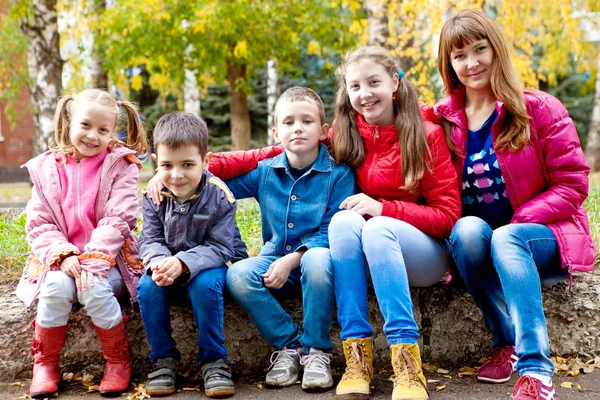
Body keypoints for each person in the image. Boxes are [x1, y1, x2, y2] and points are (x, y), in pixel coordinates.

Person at [174, 48, 461, 400]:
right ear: (347, 92)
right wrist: (188, 168)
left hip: (419, 250)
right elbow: (272, 154)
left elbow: (446, 216)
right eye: (355, 85)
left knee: (368, 227)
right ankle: (355, 357)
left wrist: (382, 208)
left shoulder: (424, 134)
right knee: (345, 221)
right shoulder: (348, 131)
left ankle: (405, 362)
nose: (365, 93)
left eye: (374, 82)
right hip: (365, 250)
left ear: (395, 84)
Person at [436, 9, 595, 400]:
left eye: (480, 49)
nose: (472, 63)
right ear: (449, 63)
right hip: (482, 241)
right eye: (460, 56)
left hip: (542, 236)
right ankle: (505, 341)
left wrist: (521, 219)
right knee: (466, 230)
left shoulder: (538, 108)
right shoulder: (442, 120)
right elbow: (380, 128)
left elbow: (573, 184)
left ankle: (536, 372)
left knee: (507, 238)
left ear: (497, 50)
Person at [16, 88, 149, 398]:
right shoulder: (49, 167)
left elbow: (119, 218)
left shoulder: (122, 165)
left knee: (92, 287)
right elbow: (39, 222)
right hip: (61, 261)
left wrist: (92, 259)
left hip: (109, 261)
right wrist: (62, 256)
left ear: (112, 132)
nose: (93, 135)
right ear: (69, 121)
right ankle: (45, 363)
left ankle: (117, 360)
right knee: (55, 288)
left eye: (103, 130)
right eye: (85, 125)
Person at [223, 86, 356, 392]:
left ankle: (316, 351)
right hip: (272, 261)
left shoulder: (339, 174)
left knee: (317, 257)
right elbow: (218, 181)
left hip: (318, 264)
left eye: (307, 121)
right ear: (276, 132)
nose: (297, 128)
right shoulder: (265, 172)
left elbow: (331, 229)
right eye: (288, 122)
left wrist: (293, 258)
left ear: (323, 130)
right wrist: (174, 173)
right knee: (239, 274)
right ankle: (291, 346)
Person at [137, 112, 248, 397]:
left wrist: (183, 262)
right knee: (147, 287)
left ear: (206, 162)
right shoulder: (153, 196)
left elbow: (222, 247)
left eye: (188, 164)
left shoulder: (219, 195)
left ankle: (214, 360)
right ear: (156, 163)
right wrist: (159, 263)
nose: (177, 174)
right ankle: (163, 359)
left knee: (204, 284)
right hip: (168, 267)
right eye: (167, 165)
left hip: (213, 264)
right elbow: (149, 239)